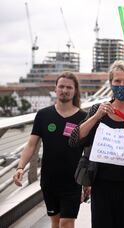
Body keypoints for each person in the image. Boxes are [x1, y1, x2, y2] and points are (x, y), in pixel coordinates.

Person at [69, 61, 124, 228]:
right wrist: (96, 116)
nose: (121, 85)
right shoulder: (99, 109)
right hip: (103, 187)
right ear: (110, 83)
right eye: (117, 81)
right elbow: (74, 139)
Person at [13, 72, 87, 228]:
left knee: (66, 223)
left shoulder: (83, 118)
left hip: (73, 181)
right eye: (61, 86)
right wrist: (21, 167)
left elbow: (89, 150)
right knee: (55, 221)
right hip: (49, 180)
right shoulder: (43, 115)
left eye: (69, 87)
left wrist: (88, 180)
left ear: (75, 91)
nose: (64, 90)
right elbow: (31, 144)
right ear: (55, 88)